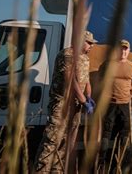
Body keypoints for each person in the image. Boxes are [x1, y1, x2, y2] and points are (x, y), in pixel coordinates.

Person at [34, 31, 97, 173]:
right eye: (89, 43)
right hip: (62, 105)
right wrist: (83, 100)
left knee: (67, 142)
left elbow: (85, 79)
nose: (92, 46)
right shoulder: (67, 55)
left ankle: (57, 171)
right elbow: (70, 80)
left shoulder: (85, 58)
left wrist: (88, 96)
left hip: (76, 106)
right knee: (52, 140)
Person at [99, 39, 132, 166]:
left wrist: (127, 97)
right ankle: (102, 162)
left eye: (125, 49)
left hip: (125, 105)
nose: (123, 51)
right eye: (120, 48)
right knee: (106, 131)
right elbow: (101, 83)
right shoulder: (107, 65)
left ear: (128, 51)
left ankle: (123, 162)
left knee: (125, 132)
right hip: (110, 104)